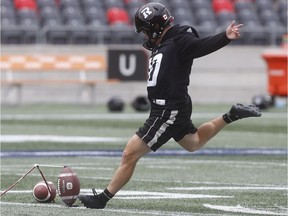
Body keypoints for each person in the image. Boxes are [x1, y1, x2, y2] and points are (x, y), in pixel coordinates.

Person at [78, 2, 261, 209]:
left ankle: (102, 199)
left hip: (168, 109)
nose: (145, 36)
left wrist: (224, 37)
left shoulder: (179, 39)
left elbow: (200, 47)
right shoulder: (165, 42)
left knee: (130, 153)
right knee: (194, 142)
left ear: (156, 27)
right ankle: (231, 115)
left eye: (146, 31)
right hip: (170, 106)